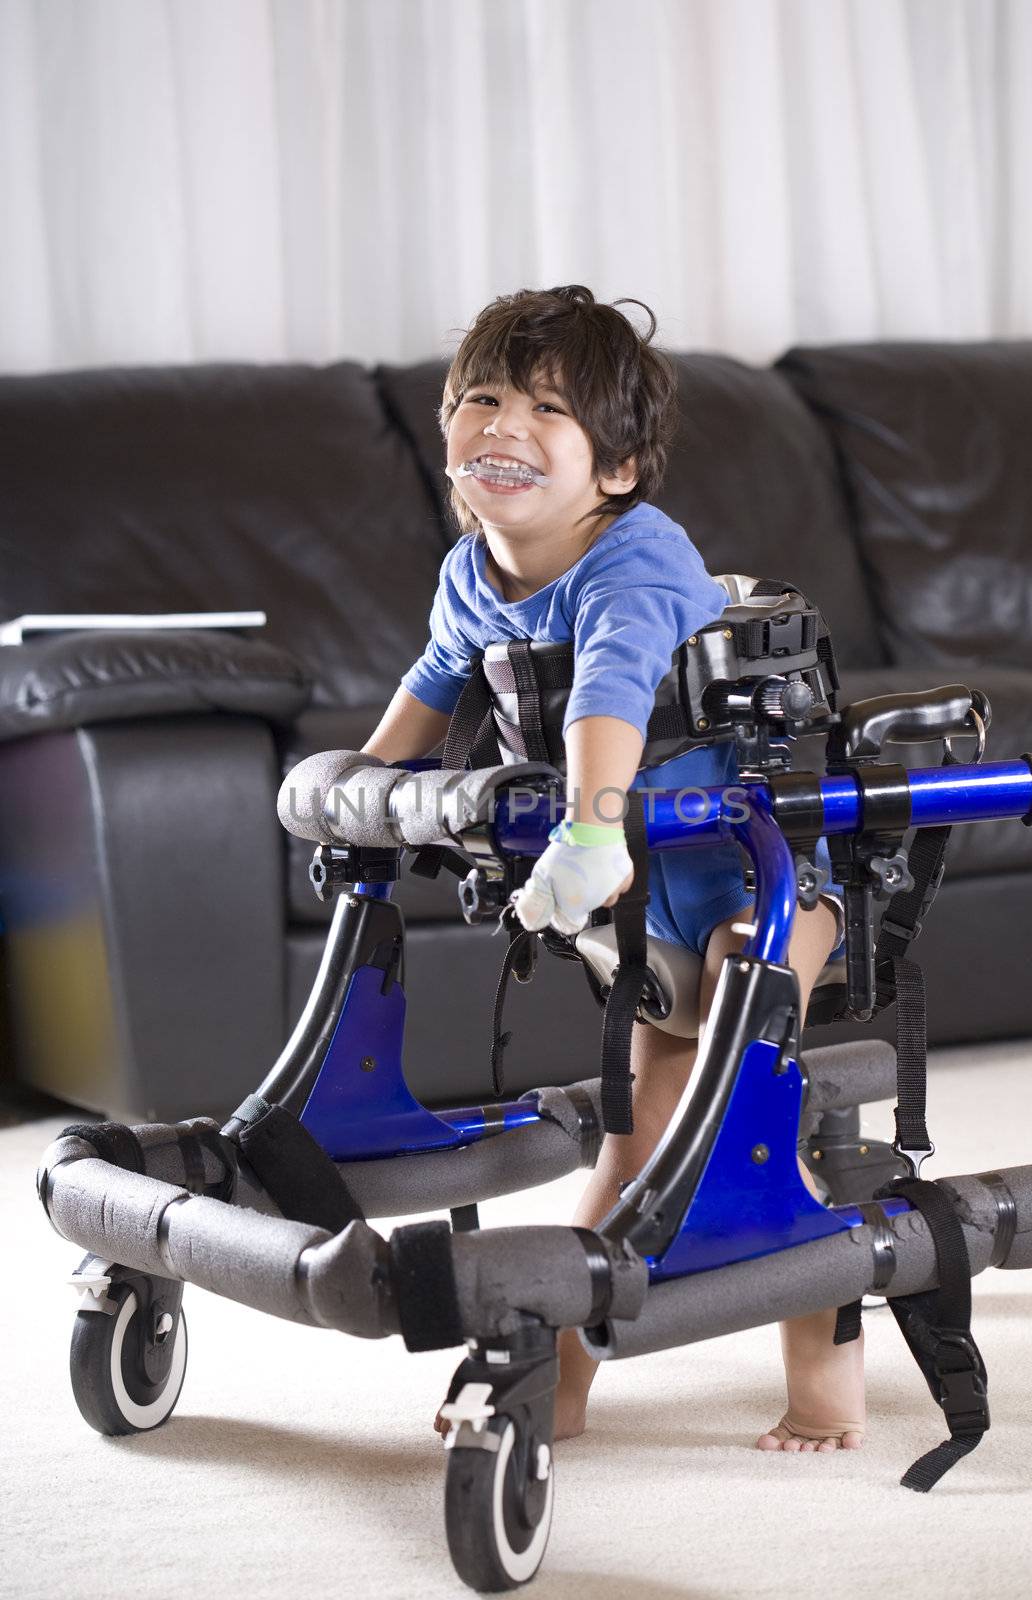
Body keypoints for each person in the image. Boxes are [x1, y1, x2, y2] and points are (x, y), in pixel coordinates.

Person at [361, 285, 865, 1453]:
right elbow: (436, 680)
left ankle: (827, 1395)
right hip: (648, 904)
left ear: (620, 468)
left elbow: (606, 696)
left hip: (764, 875)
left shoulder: (637, 557)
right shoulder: (468, 570)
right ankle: (563, 1380)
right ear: (445, 430)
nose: (504, 422)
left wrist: (589, 833)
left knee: (745, 1101)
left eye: (547, 407)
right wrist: (366, 787)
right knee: (636, 1145)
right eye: (480, 397)